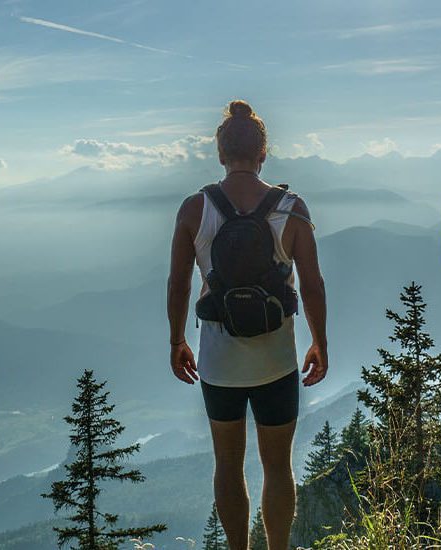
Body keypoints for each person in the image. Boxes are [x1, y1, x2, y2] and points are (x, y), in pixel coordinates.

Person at [165, 99, 328, 550]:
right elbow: (312, 285)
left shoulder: (194, 209)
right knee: (278, 467)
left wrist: (177, 339)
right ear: (263, 154)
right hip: (277, 359)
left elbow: (179, 284)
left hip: (218, 362)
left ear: (220, 154)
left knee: (228, 464)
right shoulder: (292, 208)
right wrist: (320, 342)